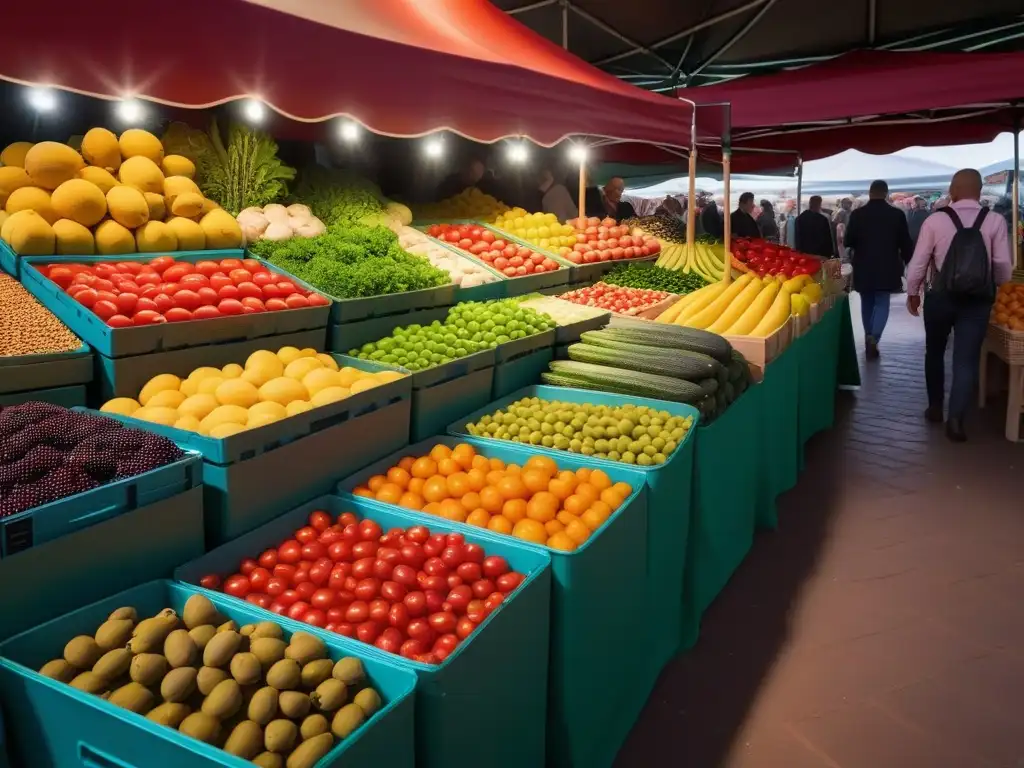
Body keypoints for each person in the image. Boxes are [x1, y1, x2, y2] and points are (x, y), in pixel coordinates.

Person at [905, 169, 1013, 442]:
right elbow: (1001, 264)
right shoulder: (996, 221)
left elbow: (919, 262)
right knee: (965, 359)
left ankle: (934, 407)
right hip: (977, 300)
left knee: (935, 351)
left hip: (940, 297)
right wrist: (999, 286)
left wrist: (913, 292)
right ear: (979, 191)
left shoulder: (936, 220)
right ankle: (956, 420)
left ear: (953, 190)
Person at [843, 180, 914, 360]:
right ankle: (874, 338)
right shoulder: (896, 215)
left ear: (870, 192)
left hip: (863, 266)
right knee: (882, 302)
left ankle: (869, 336)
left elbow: (848, 241)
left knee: (866, 301)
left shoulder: (858, 214)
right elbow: (905, 242)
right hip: (887, 266)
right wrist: (909, 263)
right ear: (886, 193)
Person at [435, 156, 499, 201]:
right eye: (471, 169)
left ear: (483, 169)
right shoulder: (449, 185)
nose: (472, 173)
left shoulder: (490, 187)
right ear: (463, 167)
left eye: (477, 169)